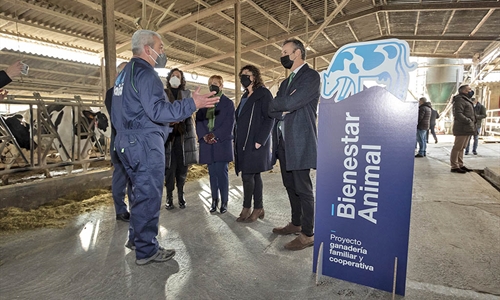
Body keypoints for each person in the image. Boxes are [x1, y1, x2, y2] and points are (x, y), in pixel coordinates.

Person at [111, 29, 219, 265]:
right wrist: (192, 104)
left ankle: (136, 238)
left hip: (125, 142)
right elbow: (157, 111)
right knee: (149, 196)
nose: (162, 54)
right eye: (160, 49)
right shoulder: (146, 74)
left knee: (138, 193)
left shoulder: (124, 74)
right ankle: (147, 250)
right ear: (148, 49)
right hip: (144, 144)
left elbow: (133, 111)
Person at [268, 39, 320, 251]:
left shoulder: (311, 76)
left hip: (299, 140)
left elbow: (289, 103)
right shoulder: (284, 83)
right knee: (290, 186)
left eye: (285, 51)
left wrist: (284, 104)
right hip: (284, 141)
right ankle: (295, 223)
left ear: (297, 53)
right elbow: (272, 108)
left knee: (303, 188)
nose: (282, 55)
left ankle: (308, 233)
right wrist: (283, 106)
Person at [234, 65, 274, 223]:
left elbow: (270, 118)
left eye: (247, 74)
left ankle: (247, 207)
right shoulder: (245, 97)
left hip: (255, 142)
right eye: (241, 75)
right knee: (255, 175)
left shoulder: (263, 94)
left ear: (255, 77)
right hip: (243, 142)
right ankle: (259, 207)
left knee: (247, 175)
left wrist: (260, 140)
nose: (243, 77)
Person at [196, 75, 235, 214]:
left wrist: (215, 135)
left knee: (222, 173)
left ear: (221, 86)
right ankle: (214, 200)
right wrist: (205, 135)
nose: (213, 85)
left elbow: (229, 123)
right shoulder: (204, 103)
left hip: (221, 143)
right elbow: (199, 121)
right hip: (208, 144)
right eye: (211, 83)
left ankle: (224, 201)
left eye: (216, 83)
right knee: (212, 174)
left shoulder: (228, 103)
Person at [163, 68, 198, 210]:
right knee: (169, 169)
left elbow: (191, 110)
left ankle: (181, 195)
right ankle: (169, 196)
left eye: (178, 76)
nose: (175, 78)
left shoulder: (187, 94)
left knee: (182, 168)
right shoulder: (163, 94)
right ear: (169, 78)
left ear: (182, 79)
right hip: (168, 137)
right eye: (173, 75)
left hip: (183, 136)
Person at [104, 61, 131, 222]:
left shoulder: (114, 92)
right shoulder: (113, 93)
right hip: (122, 143)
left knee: (126, 177)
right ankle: (120, 210)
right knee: (122, 175)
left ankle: (127, 209)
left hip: (122, 142)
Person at [450, 85, 476, 173]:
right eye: (469, 89)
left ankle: (460, 164)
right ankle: (454, 166)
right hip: (462, 127)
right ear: (464, 91)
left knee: (462, 147)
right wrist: (468, 121)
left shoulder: (466, 100)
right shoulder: (460, 100)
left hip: (467, 127)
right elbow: (458, 114)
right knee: (457, 147)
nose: (471, 91)